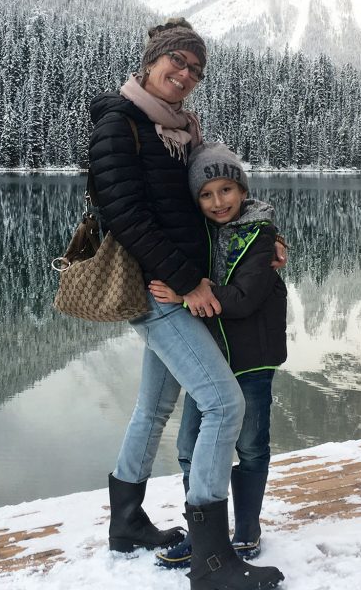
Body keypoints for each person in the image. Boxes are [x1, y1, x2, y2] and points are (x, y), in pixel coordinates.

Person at [88, 19, 284, 590]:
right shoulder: (119, 124)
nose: (185, 74)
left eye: (195, 68)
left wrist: (260, 235)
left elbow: (210, 202)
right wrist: (188, 283)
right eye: (177, 61)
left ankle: (125, 523)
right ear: (151, 62)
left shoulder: (175, 130)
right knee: (225, 405)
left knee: (153, 409)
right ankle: (212, 559)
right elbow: (127, 218)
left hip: (177, 285)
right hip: (160, 292)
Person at [147, 142, 287, 571]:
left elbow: (243, 300)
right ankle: (204, 533)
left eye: (226, 190)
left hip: (252, 360)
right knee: (190, 448)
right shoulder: (198, 233)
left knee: (250, 447)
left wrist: (186, 295)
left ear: (242, 190)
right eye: (206, 194)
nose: (217, 202)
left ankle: (245, 531)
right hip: (207, 361)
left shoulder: (261, 237)